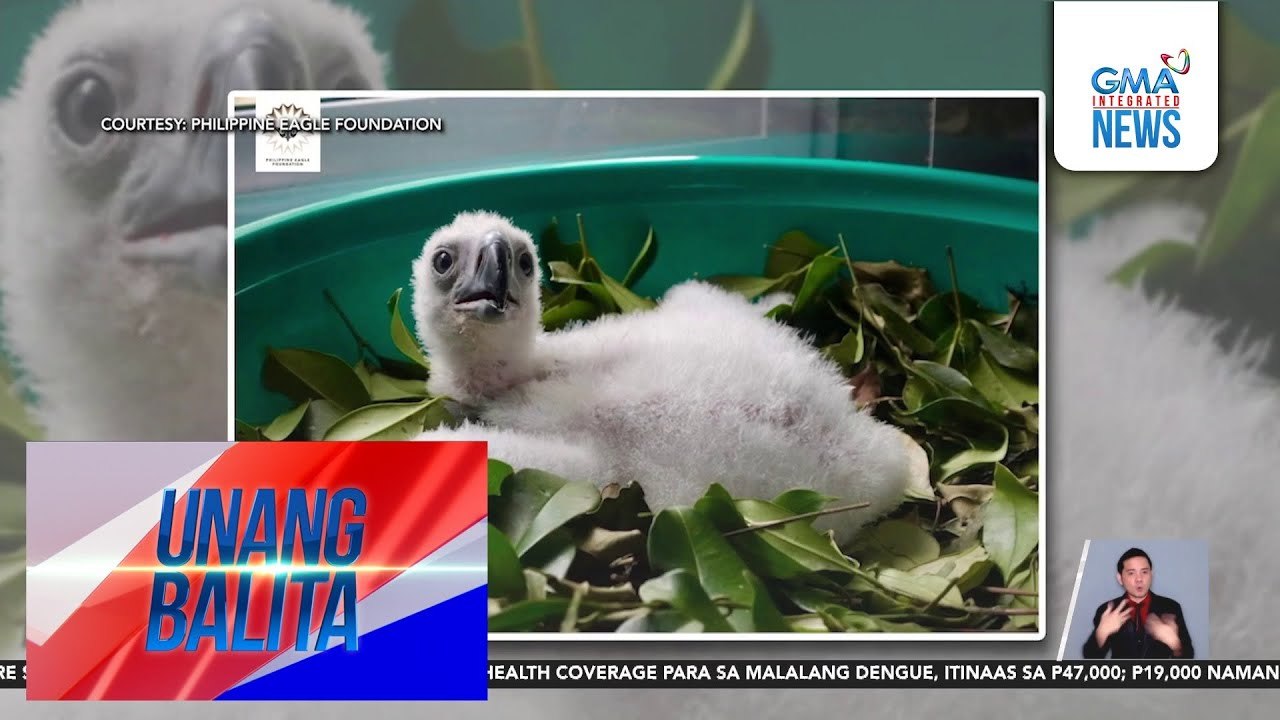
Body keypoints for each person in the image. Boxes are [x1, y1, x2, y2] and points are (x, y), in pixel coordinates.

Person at [1082, 547, 1195, 659]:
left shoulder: (1171, 608)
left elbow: (1188, 656)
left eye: (1144, 572)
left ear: (1151, 575)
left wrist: (1175, 645)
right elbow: (1091, 657)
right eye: (1131, 573)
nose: (1139, 579)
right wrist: (1101, 633)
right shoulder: (1107, 610)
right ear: (1120, 578)